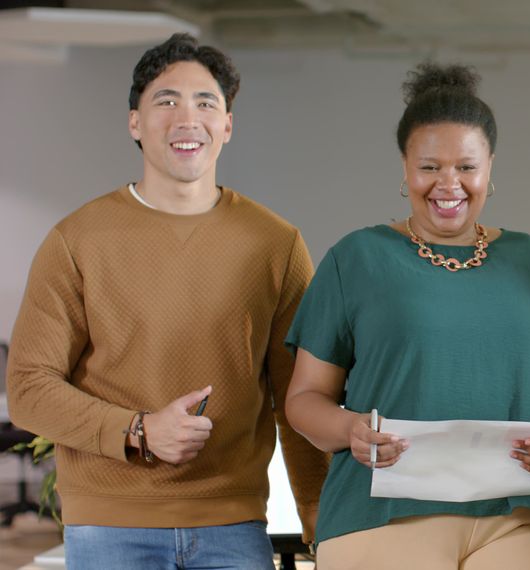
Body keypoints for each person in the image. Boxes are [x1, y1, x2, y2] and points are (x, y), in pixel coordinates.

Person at [6, 33, 329, 569]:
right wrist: (138, 430)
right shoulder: (76, 240)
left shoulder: (277, 244)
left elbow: (299, 396)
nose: (188, 117)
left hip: (233, 528)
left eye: (206, 103)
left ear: (227, 126)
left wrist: (319, 515)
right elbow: (27, 389)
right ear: (134, 121)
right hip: (109, 530)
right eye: (166, 101)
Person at [283, 62, 530, 570]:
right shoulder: (357, 258)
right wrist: (350, 430)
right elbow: (304, 400)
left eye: (466, 166)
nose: (448, 184)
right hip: (383, 512)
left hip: (519, 515)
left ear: (490, 168)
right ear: (405, 169)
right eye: (429, 166)